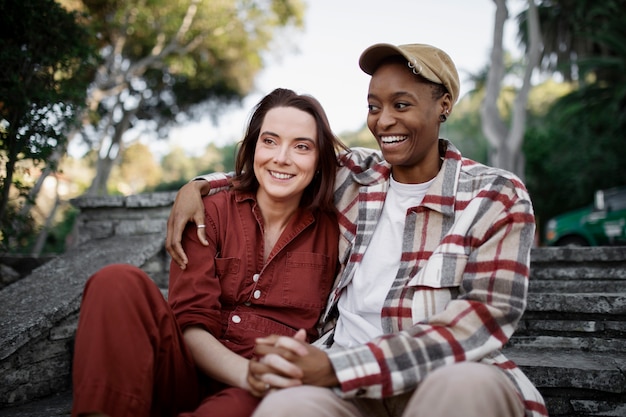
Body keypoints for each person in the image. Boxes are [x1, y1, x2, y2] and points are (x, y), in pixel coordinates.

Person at [166, 43, 548, 417]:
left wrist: (338, 368)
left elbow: (481, 319)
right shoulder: (357, 178)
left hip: (440, 375)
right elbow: (279, 166)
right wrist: (198, 185)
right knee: (284, 406)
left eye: (401, 105)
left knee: (466, 386)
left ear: (443, 105)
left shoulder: (495, 196)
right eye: (373, 107)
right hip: (346, 389)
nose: (383, 121)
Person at [71, 88, 347, 417]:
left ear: (319, 161)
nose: (282, 157)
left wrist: (258, 378)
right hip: (186, 369)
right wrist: (199, 186)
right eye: (269, 141)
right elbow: (189, 322)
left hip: (261, 387)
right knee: (115, 281)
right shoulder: (209, 212)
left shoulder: (339, 231)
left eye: (301, 146)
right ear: (253, 147)